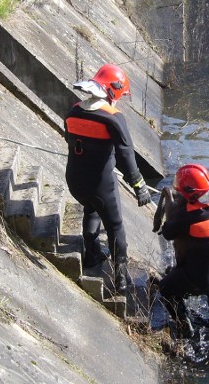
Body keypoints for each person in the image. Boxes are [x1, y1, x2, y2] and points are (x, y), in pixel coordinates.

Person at [64, 63, 152, 293]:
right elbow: (126, 155)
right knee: (115, 226)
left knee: (91, 209)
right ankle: (121, 278)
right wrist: (139, 186)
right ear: (114, 91)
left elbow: (70, 139)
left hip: (74, 181)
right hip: (101, 185)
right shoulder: (113, 118)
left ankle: (91, 254)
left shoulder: (73, 110)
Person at [156, 163, 209, 337]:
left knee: (166, 289)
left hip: (200, 279)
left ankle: (186, 329)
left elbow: (168, 233)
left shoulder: (188, 217)